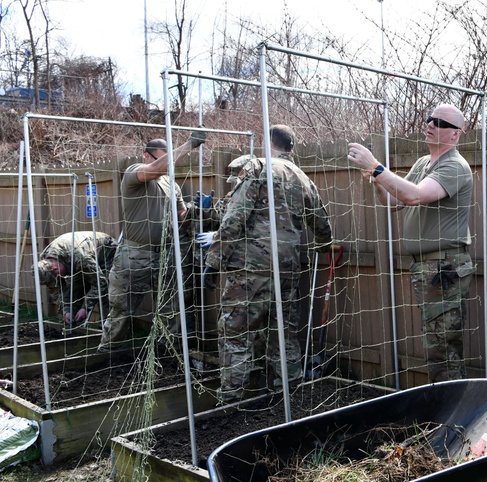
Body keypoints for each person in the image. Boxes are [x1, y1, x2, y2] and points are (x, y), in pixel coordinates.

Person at [200, 125, 332, 402]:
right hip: (287, 268)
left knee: (235, 332)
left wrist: (213, 261)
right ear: (291, 148)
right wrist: (324, 246)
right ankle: (288, 394)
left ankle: (231, 399)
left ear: (266, 143)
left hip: (250, 267)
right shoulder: (303, 178)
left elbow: (234, 219)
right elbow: (322, 224)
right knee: (283, 333)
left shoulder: (258, 169)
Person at [346, 103, 475, 383]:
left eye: (440, 122)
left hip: (445, 268)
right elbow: (395, 202)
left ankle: (452, 418)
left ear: (455, 135)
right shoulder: (422, 164)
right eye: (429, 119)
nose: (430, 124)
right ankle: (445, 412)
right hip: (427, 269)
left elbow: (415, 196)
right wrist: (376, 180)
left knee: (443, 348)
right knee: (436, 344)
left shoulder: (455, 166)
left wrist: (376, 167)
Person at [96, 131, 204, 360]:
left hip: (164, 256)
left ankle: (170, 357)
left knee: (170, 309)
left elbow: (181, 216)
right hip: (134, 255)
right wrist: (187, 145)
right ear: (146, 156)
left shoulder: (170, 184)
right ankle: (105, 357)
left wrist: (198, 211)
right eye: (161, 158)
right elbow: (156, 170)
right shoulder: (134, 173)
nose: (166, 163)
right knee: (121, 310)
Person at [36, 231, 118, 327]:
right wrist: (66, 310)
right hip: (76, 262)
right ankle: (71, 323)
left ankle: (107, 329)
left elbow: (101, 283)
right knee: (73, 291)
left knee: (107, 291)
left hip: (107, 253)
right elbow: (57, 290)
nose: (58, 279)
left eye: (56, 277)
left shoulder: (80, 258)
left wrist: (85, 308)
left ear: (55, 268)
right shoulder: (45, 260)